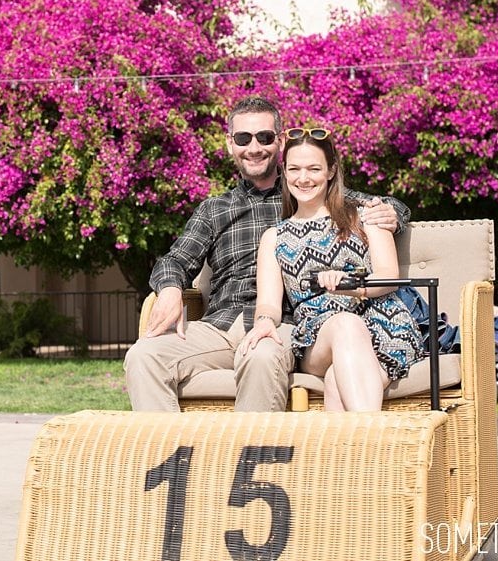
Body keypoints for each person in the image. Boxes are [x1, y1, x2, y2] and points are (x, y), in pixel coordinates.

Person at [124, 97, 410, 412]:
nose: (255, 147)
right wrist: (169, 288)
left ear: (280, 141)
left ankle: (253, 457)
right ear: (230, 143)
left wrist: (392, 213)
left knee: (261, 356)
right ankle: (173, 458)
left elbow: (375, 206)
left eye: (264, 137)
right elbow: (174, 261)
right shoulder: (214, 209)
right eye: (244, 138)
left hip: (284, 324)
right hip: (220, 324)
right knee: (143, 355)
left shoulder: (306, 193)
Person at [253, 127, 424, 412]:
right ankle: (373, 437)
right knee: (346, 324)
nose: (303, 178)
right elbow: (269, 302)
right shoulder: (274, 237)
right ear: (284, 171)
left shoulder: (365, 216)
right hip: (317, 334)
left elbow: (389, 277)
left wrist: (350, 283)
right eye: (294, 168)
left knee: (336, 380)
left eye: (314, 168)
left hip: (384, 325)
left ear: (331, 171)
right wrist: (264, 321)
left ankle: (350, 454)